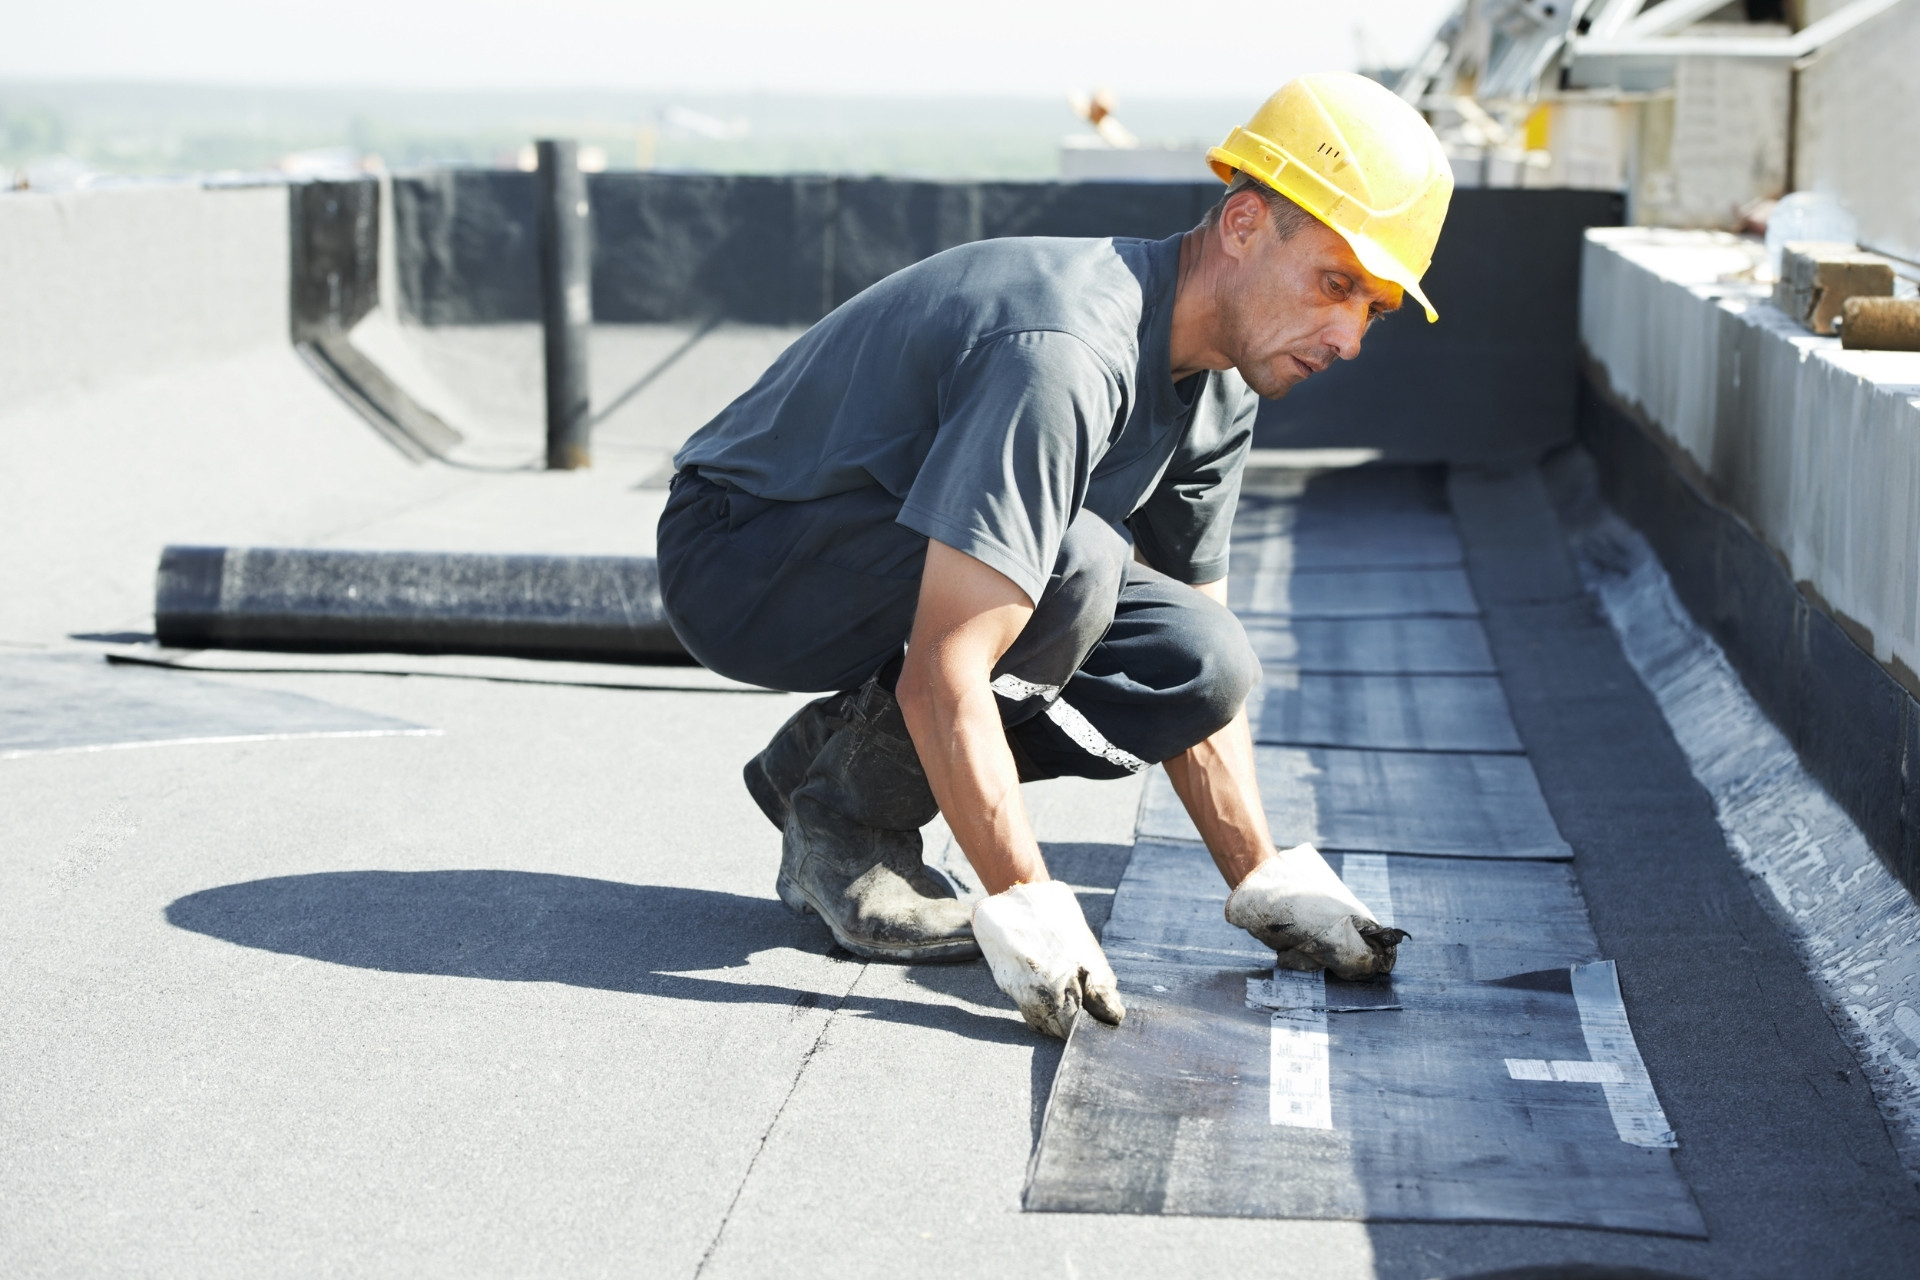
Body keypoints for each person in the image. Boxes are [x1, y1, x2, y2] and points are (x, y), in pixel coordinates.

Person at [657, 73, 1453, 1038]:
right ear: (1244, 225)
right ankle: (846, 832)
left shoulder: (1223, 385)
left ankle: (827, 766)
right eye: (1337, 284)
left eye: (1374, 308)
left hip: (885, 562)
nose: (1350, 338)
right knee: (1075, 566)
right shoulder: (1067, 351)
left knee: (1200, 662)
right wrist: (1027, 898)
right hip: (747, 551)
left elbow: (1195, 643)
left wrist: (1263, 878)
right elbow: (949, 666)